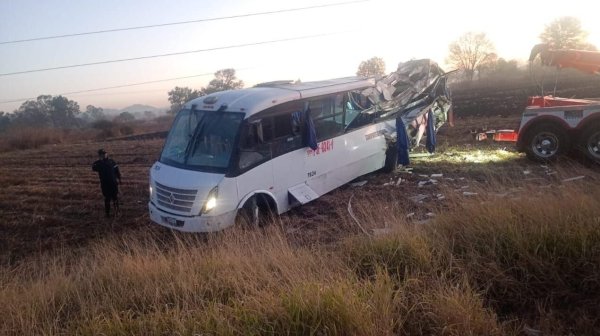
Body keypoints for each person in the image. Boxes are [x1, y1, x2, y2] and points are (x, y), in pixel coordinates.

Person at [92, 148, 122, 217]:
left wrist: (119, 179)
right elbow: (93, 168)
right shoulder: (98, 163)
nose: (104, 155)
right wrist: (99, 161)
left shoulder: (112, 161)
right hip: (105, 184)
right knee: (107, 198)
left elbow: (117, 171)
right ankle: (107, 214)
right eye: (102, 154)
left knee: (115, 198)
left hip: (113, 183)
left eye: (105, 153)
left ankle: (117, 212)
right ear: (100, 155)